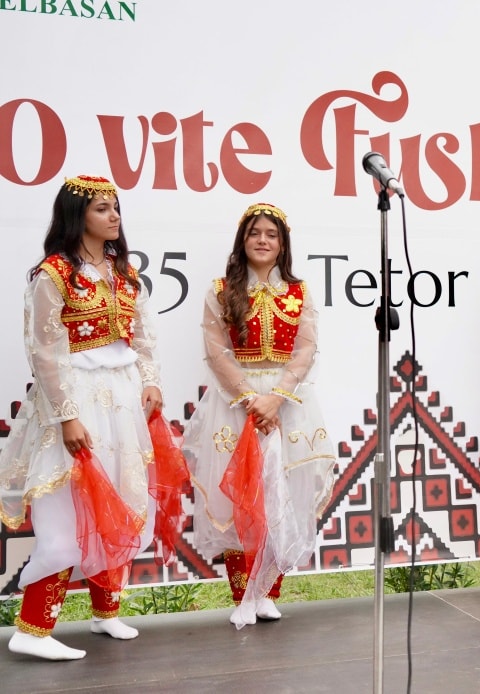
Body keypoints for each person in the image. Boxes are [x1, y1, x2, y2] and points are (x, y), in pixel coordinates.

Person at [0, 175, 164, 660]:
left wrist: (151, 380)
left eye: (115, 208)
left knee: (117, 494)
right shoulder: (52, 275)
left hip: (122, 397)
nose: (113, 216)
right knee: (69, 509)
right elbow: (45, 353)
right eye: (100, 209)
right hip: (75, 398)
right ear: (77, 216)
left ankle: (105, 611)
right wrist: (67, 416)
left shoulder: (124, 273)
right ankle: (31, 629)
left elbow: (144, 335)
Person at [184, 202, 336, 628]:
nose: (263, 241)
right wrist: (253, 399)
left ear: (283, 244)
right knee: (240, 498)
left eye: (272, 234)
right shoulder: (220, 290)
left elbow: (306, 350)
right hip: (238, 404)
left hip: (287, 404)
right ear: (243, 241)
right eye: (255, 233)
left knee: (278, 498)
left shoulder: (300, 292)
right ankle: (241, 595)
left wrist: (279, 397)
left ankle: (267, 593)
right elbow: (217, 353)